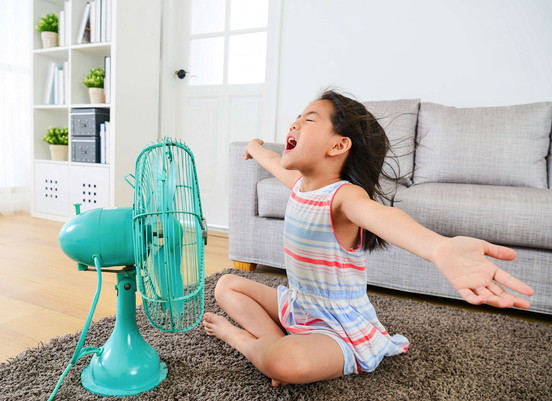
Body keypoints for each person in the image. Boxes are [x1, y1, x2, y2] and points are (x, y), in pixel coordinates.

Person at [202, 90, 534, 387]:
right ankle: (275, 344)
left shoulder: (345, 197)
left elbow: (383, 217)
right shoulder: (301, 185)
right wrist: (253, 147)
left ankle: (248, 344)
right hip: (300, 304)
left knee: (283, 362)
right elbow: (272, 161)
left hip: (338, 328)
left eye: (308, 120)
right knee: (226, 285)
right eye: (296, 119)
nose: (294, 124)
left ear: (338, 145)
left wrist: (439, 247)